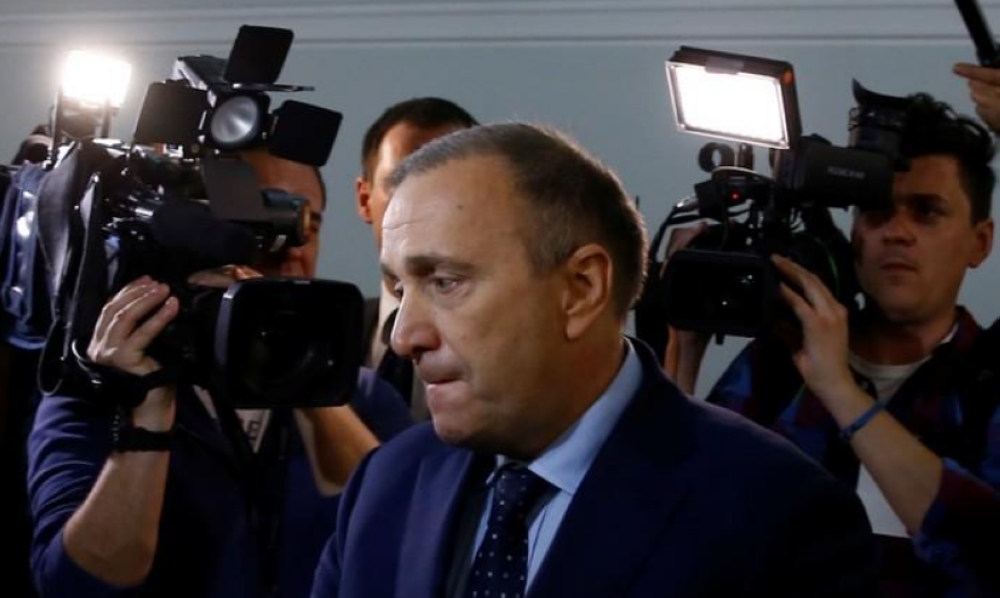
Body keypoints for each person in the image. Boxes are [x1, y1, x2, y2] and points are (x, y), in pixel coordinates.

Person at [311, 122, 878, 597]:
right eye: (398, 286)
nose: (405, 334)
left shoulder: (775, 512)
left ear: (581, 289)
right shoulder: (386, 485)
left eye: (445, 281)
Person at [27, 147, 413, 597]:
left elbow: (403, 537)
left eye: (307, 223)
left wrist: (298, 374)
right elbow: (73, 586)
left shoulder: (362, 396)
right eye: (262, 221)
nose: (291, 246)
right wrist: (149, 417)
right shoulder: (96, 397)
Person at [668, 89, 1000, 595]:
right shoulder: (781, 359)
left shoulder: (990, 375)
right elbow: (680, 517)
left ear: (980, 241)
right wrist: (682, 350)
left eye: (926, 212)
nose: (896, 232)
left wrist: (840, 391)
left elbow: (987, 551)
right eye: (876, 212)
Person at [354, 97, 477, 420]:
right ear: (365, 199)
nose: (427, 206)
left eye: (449, 186)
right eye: (401, 184)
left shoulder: (505, 345)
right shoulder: (322, 338)